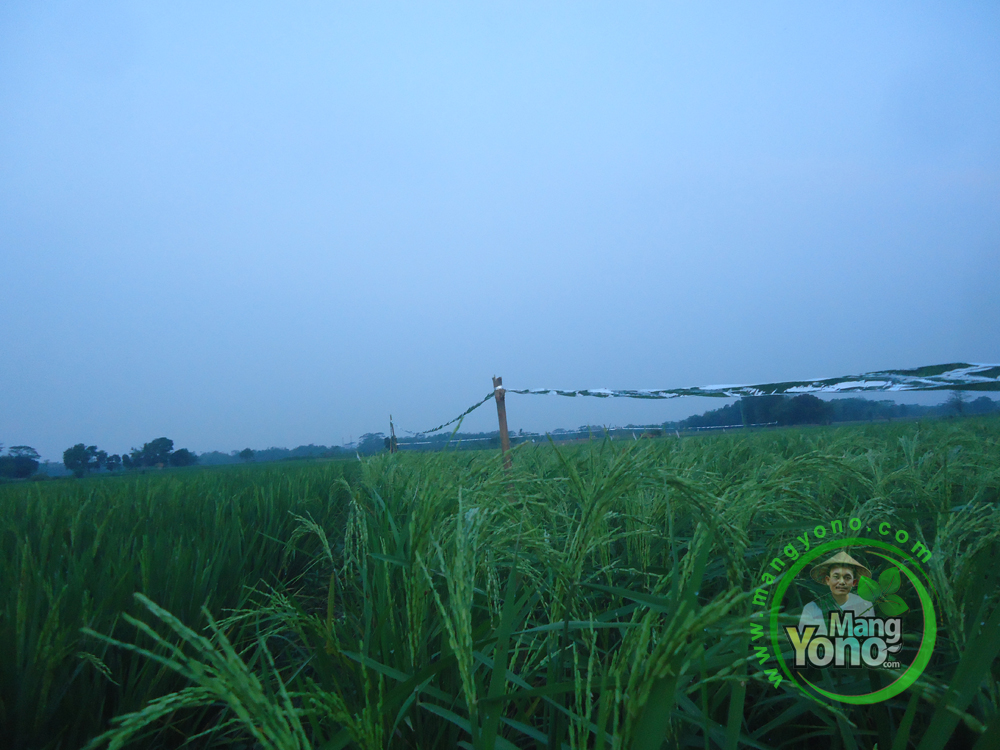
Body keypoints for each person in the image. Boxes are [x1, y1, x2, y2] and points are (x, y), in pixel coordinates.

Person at [797, 550, 874, 635]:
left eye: (847, 578)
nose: (841, 582)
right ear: (828, 580)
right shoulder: (812, 608)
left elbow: (870, 638)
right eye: (836, 577)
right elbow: (803, 643)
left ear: (854, 582)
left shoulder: (864, 605)